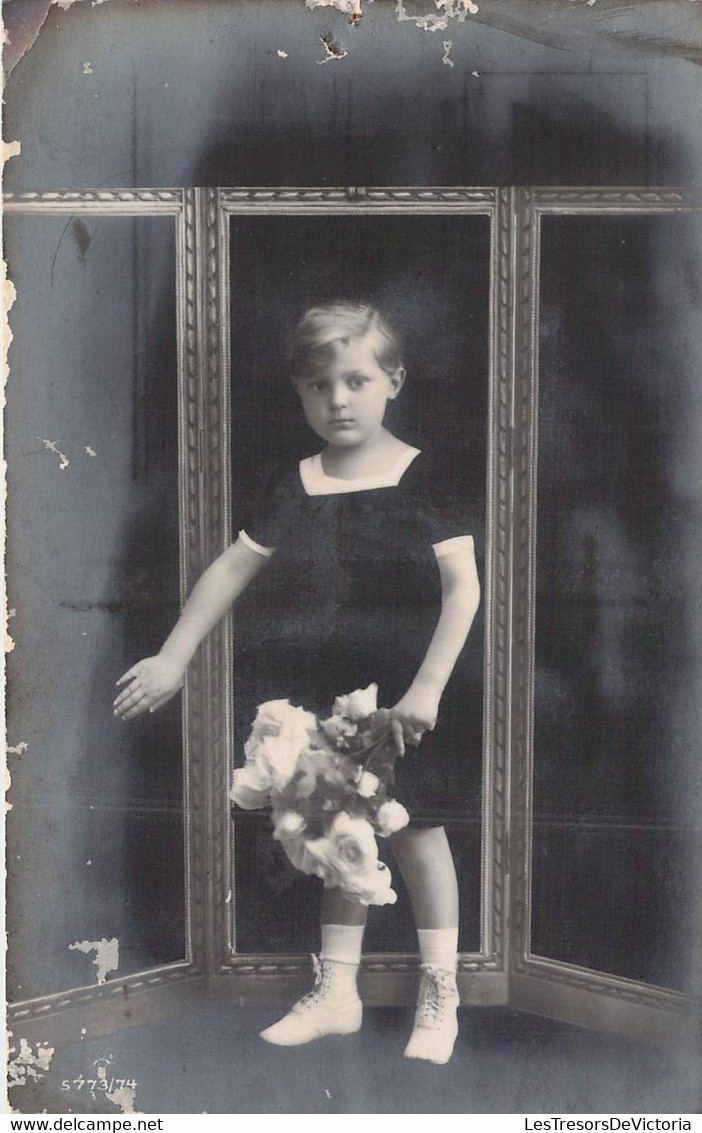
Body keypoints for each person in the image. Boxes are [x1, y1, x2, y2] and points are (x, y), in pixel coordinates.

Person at [114, 300, 481, 1065]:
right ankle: (338, 992)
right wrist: (173, 657)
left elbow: (463, 590)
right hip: (331, 689)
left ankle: (441, 991)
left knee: (414, 833)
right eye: (319, 386)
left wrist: (428, 690)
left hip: (413, 695)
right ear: (301, 394)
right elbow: (233, 567)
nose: (338, 400)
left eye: (356, 380)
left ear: (394, 380)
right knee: (335, 830)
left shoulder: (424, 475)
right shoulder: (299, 480)